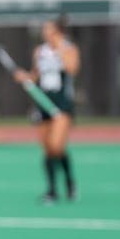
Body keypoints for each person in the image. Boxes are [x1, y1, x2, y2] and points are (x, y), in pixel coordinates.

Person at [15, 14, 80, 203]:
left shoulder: (69, 49)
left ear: (58, 31)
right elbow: (35, 77)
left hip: (62, 105)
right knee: (48, 149)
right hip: (42, 103)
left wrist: (59, 49)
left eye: (49, 30)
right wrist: (24, 77)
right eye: (44, 30)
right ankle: (52, 190)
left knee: (56, 146)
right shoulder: (39, 51)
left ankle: (69, 182)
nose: (45, 33)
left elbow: (72, 69)